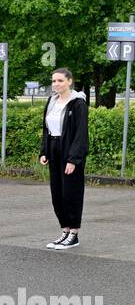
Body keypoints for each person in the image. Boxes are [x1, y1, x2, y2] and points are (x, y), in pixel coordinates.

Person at [39, 67, 88, 249]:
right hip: (54, 149)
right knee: (57, 194)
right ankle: (65, 230)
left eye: (60, 81)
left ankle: (74, 233)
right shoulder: (51, 101)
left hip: (69, 151)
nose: (56, 84)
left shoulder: (78, 104)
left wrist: (73, 159)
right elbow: (46, 129)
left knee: (71, 194)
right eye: (54, 81)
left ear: (69, 81)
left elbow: (80, 134)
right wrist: (44, 151)